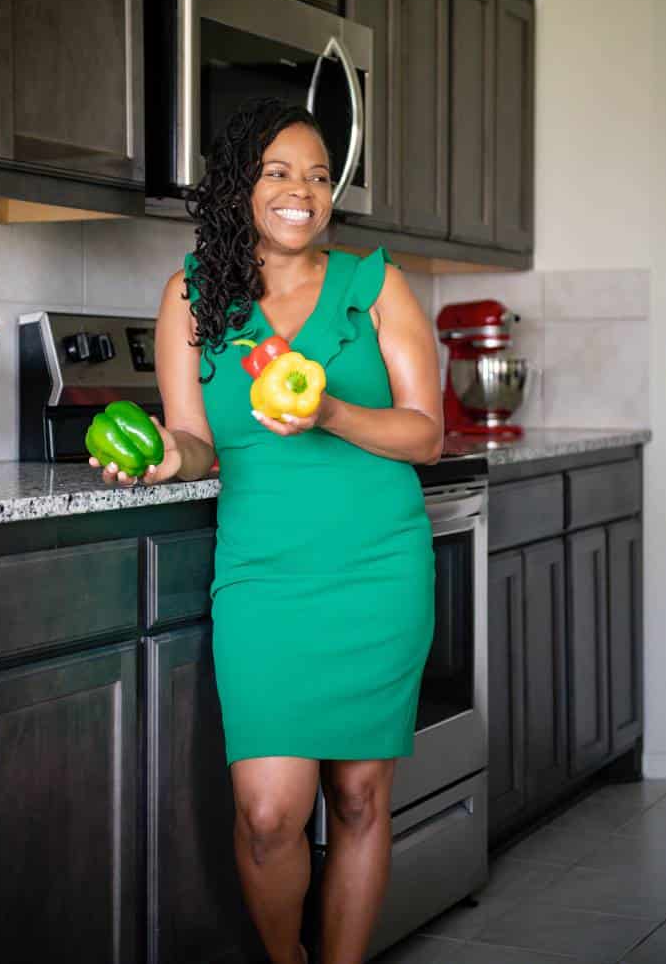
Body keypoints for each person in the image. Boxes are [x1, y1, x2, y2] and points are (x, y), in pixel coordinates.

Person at [91, 97, 443, 964]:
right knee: (268, 813)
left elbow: (426, 433)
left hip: (377, 566)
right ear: (240, 185)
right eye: (279, 172)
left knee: (360, 796)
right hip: (263, 576)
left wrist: (326, 409)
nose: (303, 191)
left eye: (320, 176)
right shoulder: (192, 295)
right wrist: (166, 462)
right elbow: (197, 441)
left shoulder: (375, 285)